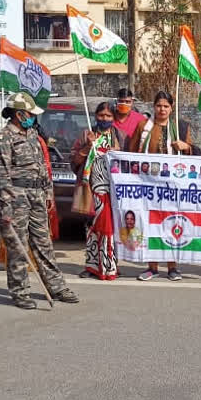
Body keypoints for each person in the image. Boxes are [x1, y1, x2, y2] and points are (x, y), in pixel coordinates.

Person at [0, 93, 79, 309]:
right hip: (16, 197)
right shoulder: (3, 140)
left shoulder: (33, 135)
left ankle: (56, 286)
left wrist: (48, 193)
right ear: (19, 114)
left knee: (44, 243)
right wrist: (6, 208)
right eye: (29, 114)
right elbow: (2, 177)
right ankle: (21, 291)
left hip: (37, 195)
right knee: (17, 245)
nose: (32, 118)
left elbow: (42, 167)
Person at [132, 91, 193, 281]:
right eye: (159, 105)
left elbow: (193, 154)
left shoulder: (180, 127)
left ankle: (173, 267)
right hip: (149, 186)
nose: (162, 109)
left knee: (173, 223)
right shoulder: (144, 126)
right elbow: (132, 151)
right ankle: (152, 267)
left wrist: (185, 147)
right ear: (154, 107)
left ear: (171, 108)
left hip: (173, 186)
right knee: (151, 224)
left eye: (166, 106)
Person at [71, 101, 122, 280]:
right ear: (95, 116)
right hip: (90, 189)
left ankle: (109, 265)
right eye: (101, 116)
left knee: (109, 228)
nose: (104, 119)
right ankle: (92, 266)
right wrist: (87, 146)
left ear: (114, 118)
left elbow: (128, 162)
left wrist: (118, 152)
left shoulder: (118, 136)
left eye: (108, 116)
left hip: (113, 191)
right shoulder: (86, 134)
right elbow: (75, 161)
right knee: (92, 228)